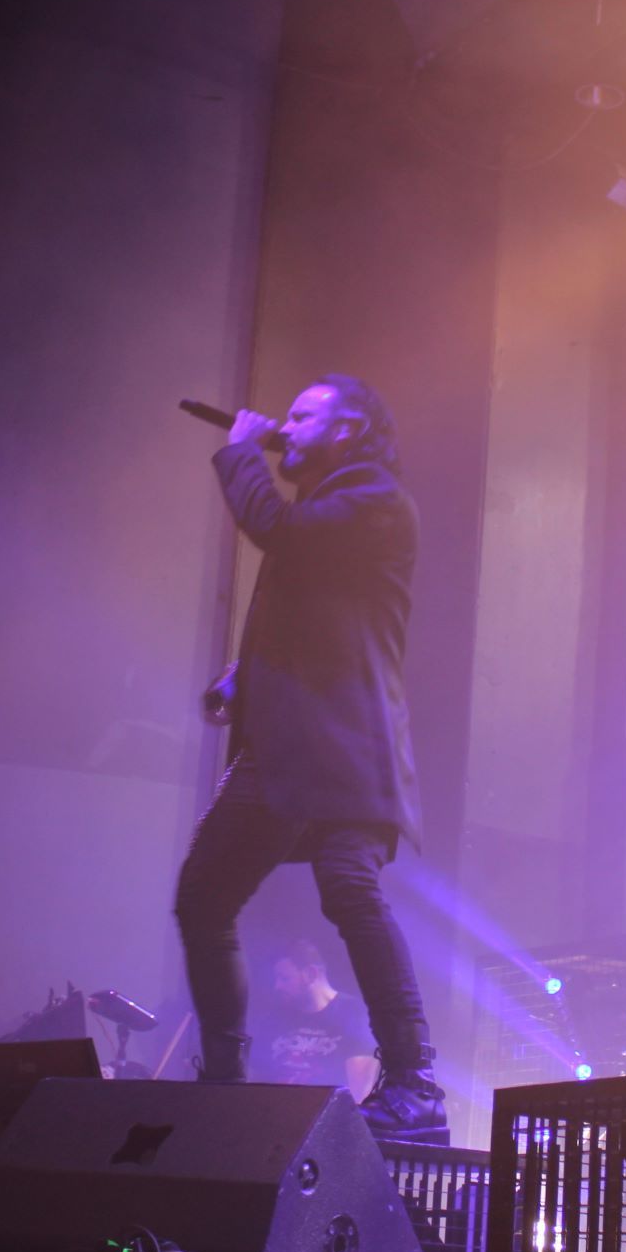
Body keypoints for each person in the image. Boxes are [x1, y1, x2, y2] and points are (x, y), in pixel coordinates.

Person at [174, 376, 446, 1141]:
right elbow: (319, 624)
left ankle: (414, 1081)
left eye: (302, 416)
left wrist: (241, 453)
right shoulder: (330, 510)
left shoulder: (375, 500)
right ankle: (223, 1078)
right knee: (204, 898)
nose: (284, 426)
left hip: (349, 746)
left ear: (349, 428)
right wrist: (244, 677)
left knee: (349, 887)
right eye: (284, 418)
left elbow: (279, 529)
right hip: (294, 746)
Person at [258, 938, 380, 1100]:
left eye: (285, 978)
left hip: (327, 1114)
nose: (277, 986)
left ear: (311, 974)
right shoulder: (275, 1018)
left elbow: (359, 1095)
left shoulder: (355, 1015)